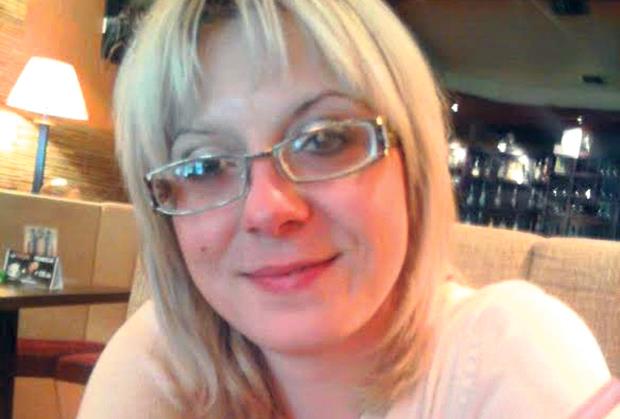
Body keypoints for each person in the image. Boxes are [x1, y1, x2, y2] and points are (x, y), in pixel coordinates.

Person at [78, 0, 618, 418]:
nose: (267, 209)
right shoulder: (160, 360)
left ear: (413, 166)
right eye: (202, 166)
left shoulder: (507, 353)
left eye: (324, 139)